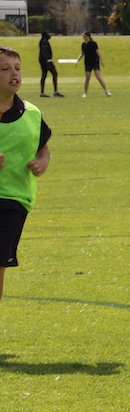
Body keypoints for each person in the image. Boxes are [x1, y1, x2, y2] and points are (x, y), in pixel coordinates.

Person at [0, 46, 52, 302]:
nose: (14, 74)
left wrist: (42, 162)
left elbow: (43, 149)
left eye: (18, 68)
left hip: (12, 200)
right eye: (5, 69)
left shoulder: (31, 114)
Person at [75, 32, 110, 98]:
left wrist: (101, 61)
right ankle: (85, 93)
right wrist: (77, 60)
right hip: (87, 63)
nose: (83, 37)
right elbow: (82, 53)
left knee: (98, 77)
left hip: (95, 62)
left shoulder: (93, 43)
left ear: (88, 36)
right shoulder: (83, 44)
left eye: (84, 36)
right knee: (87, 78)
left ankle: (106, 91)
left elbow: (98, 52)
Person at [37, 32, 62, 98]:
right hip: (47, 61)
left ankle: (42, 93)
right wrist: (48, 61)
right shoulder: (45, 42)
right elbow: (45, 53)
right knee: (55, 74)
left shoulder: (42, 41)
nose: (49, 35)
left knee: (44, 76)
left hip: (43, 61)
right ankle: (55, 92)